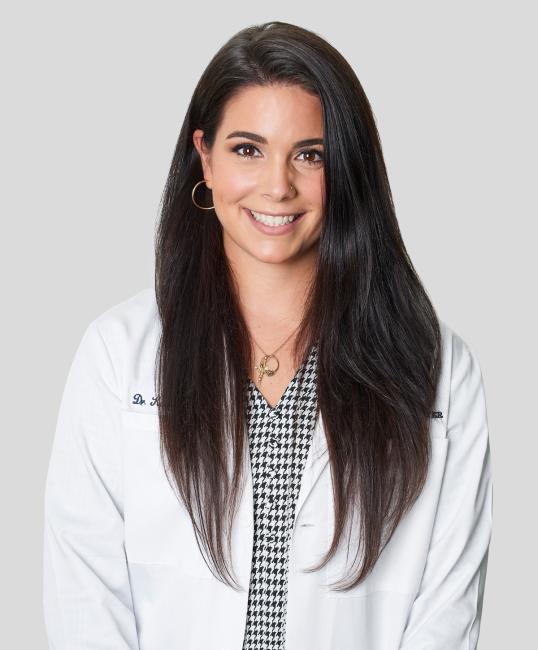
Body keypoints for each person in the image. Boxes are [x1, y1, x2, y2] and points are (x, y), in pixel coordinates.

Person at [42, 20, 493, 650]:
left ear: (347, 168)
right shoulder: (119, 356)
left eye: (310, 155)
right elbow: (85, 598)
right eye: (247, 150)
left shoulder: (437, 368)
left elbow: (447, 610)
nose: (278, 185)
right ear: (205, 156)